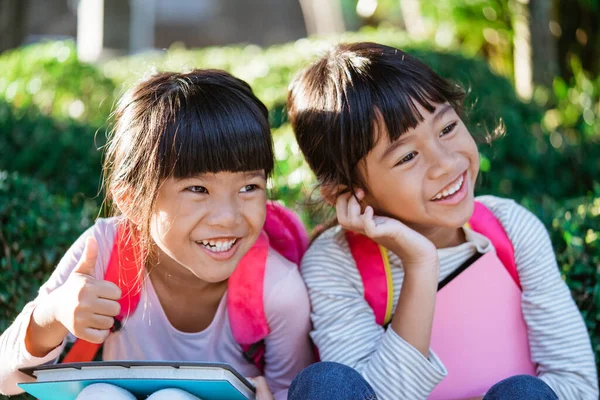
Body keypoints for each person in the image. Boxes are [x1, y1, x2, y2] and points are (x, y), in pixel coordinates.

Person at [285, 42, 598, 400]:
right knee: (326, 385)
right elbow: (362, 396)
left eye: (447, 128)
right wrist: (420, 264)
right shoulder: (337, 264)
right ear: (349, 191)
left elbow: (578, 387)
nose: (447, 163)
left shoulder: (510, 227)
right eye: (407, 157)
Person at [0, 69, 314, 400]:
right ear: (132, 200)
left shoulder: (277, 290)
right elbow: (6, 377)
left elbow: (290, 391)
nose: (228, 217)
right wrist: (53, 312)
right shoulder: (106, 251)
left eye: (249, 187)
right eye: (198, 188)